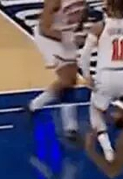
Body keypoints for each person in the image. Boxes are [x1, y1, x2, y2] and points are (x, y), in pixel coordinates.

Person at [80, 0, 123, 161]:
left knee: (95, 111)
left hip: (106, 76)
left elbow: (84, 57)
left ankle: (108, 150)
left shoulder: (99, 27)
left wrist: (87, 77)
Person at [27, 0, 86, 140]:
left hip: (65, 34)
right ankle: (69, 126)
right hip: (49, 38)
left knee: (71, 80)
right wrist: (70, 38)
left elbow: (81, 13)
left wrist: (78, 30)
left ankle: (35, 105)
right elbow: (45, 29)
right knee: (66, 80)